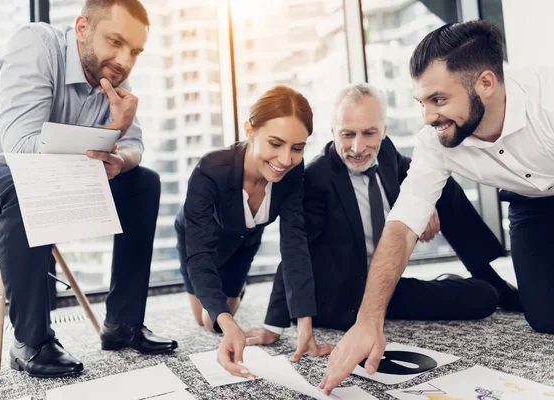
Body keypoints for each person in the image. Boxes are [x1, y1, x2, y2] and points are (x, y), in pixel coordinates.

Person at [320, 20, 554, 394]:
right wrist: (368, 320)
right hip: (531, 204)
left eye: (439, 100)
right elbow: (402, 224)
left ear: (486, 84)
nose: (428, 117)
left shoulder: (548, 99)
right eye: (422, 102)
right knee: (545, 316)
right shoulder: (434, 141)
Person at [0, 0, 177, 378]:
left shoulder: (114, 76)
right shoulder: (36, 44)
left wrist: (120, 158)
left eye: (135, 51)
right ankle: (32, 342)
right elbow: (23, 151)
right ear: (82, 28)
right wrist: (112, 133)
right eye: (115, 41)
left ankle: (123, 324)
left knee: (143, 182)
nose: (124, 60)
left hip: (56, 179)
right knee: (24, 187)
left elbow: (135, 146)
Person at [246, 83, 517, 346]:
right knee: (483, 298)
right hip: (348, 295)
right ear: (333, 132)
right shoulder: (316, 180)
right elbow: (296, 252)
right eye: (347, 134)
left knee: (441, 183)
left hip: (384, 278)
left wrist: (426, 200)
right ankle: (472, 286)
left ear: (384, 132)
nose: (357, 147)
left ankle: (486, 272)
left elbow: (411, 170)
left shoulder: (386, 153)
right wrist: (274, 325)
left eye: (369, 133)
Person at [175, 86, 332, 379]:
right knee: (207, 319)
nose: (285, 159)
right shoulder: (211, 169)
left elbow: (295, 245)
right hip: (200, 241)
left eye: (297, 148)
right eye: (275, 143)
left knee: (215, 322)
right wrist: (227, 321)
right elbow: (200, 253)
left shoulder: (293, 174)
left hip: (245, 241)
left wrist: (304, 324)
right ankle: (224, 299)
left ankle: (236, 287)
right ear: (250, 131)